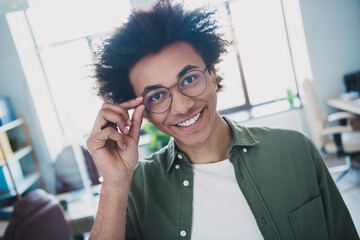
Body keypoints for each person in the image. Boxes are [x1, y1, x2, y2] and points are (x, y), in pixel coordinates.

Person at [86, 1, 358, 239]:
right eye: (156, 96)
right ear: (138, 110)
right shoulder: (133, 189)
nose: (182, 106)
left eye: (190, 79)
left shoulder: (296, 150)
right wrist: (114, 182)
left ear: (213, 73)